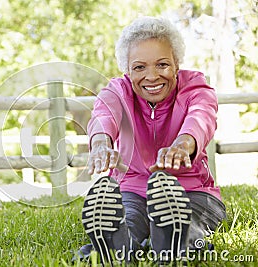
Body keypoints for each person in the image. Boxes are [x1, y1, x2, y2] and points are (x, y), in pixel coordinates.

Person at [80, 16, 226, 265]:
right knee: (128, 219)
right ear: (127, 69)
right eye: (139, 67)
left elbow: (201, 117)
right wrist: (100, 144)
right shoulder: (118, 91)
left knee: (188, 222)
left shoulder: (195, 86)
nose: (152, 76)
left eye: (162, 65)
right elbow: (104, 114)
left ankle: (175, 242)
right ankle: (116, 245)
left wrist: (183, 144)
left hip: (193, 191)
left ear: (177, 64)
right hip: (131, 189)